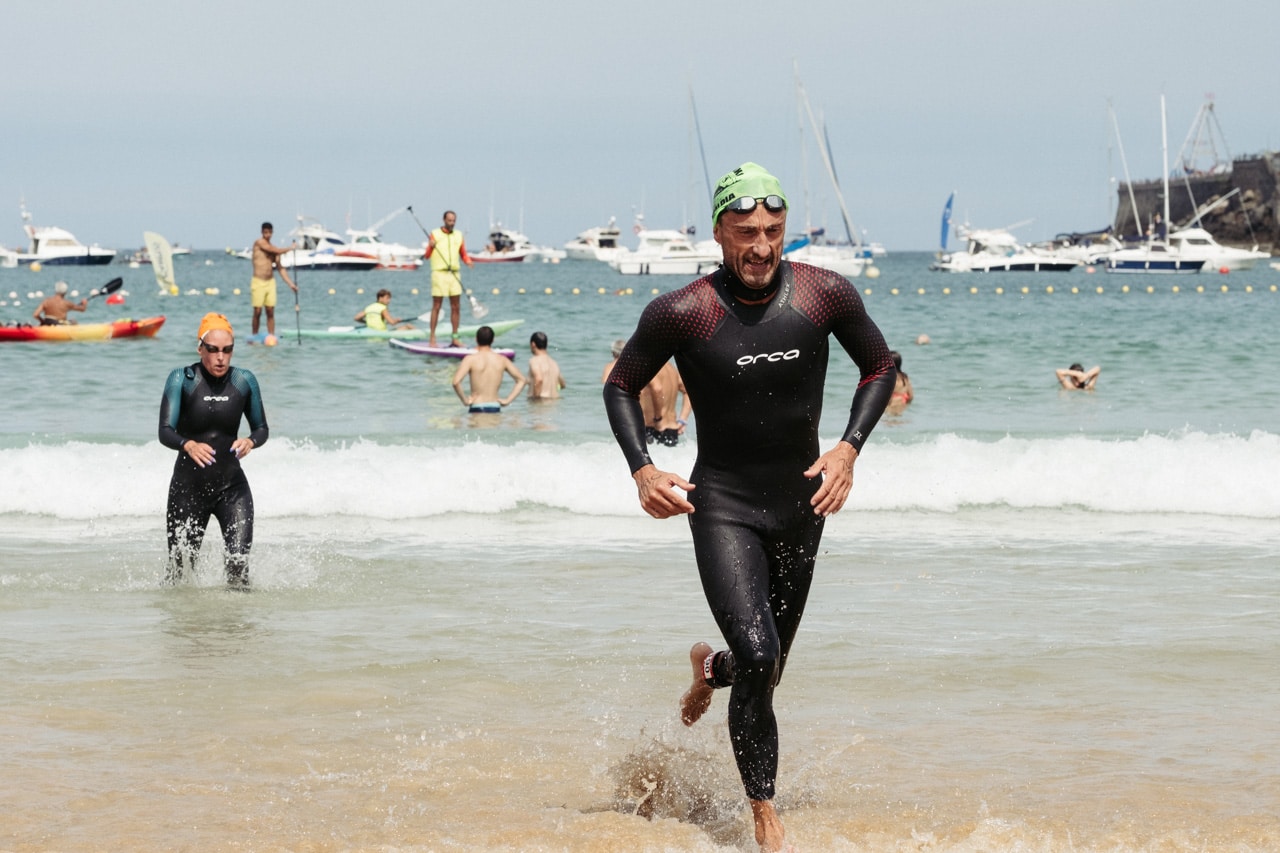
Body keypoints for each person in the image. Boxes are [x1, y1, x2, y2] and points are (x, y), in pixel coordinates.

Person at [603, 162, 896, 852]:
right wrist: (642, 468)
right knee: (760, 654)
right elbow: (620, 385)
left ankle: (710, 670)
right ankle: (765, 816)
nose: (762, 246)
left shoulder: (824, 294)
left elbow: (881, 365)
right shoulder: (682, 311)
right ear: (719, 233)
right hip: (724, 507)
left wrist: (849, 449)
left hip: (801, 505)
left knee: (764, 668)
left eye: (773, 230)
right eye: (746, 232)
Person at [158, 313, 270, 588]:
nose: (221, 357)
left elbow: (261, 428)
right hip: (188, 490)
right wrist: (187, 444)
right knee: (180, 573)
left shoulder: (244, 380)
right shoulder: (182, 379)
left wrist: (251, 441)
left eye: (227, 350)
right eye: (213, 349)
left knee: (238, 569)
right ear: (200, 349)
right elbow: (165, 431)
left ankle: (236, 617)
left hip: (232, 489)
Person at [424, 210, 474, 347]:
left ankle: (455, 338)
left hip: (454, 273)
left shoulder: (458, 235)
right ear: (444, 220)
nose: (452, 223)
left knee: (456, 307)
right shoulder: (435, 233)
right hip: (439, 273)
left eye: (453, 221)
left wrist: (468, 261)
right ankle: (432, 338)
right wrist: (430, 247)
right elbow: (427, 256)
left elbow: (463, 253)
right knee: (437, 306)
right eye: (449, 220)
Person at [452, 325, 527, 413]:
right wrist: (508, 400)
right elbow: (522, 380)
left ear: (476, 339)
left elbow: (456, 382)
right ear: (493, 340)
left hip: (477, 406)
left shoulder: (470, 359)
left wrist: (465, 400)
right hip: (495, 407)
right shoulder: (502, 360)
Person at [251, 222, 298, 338]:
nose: (267, 235)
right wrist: (290, 248)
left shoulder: (275, 250)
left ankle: (271, 335)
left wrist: (291, 284)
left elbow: (280, 268)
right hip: (258, 281)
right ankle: (254, 335)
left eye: (269, 232)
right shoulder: (259, 243)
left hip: (270, 282)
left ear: (272, 233)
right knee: (257, 311)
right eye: (265, 232)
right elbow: (274, 250)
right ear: (262, 232)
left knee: (270, 311)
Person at [642, 360, 692, 447]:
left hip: (654, 427)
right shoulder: (671, 369)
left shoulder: (650, 367)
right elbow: (689, 391)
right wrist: (683, 420)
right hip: (672, 429)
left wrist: (658, 419)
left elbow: (657, 389)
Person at [527, 331, 566, 400]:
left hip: (541, 402)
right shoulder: (554, 363)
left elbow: (539, 380)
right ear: (547, 344)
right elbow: (562, 385)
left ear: (533, 344)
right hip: (554, 403)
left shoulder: (535, 360)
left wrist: (536, 401)